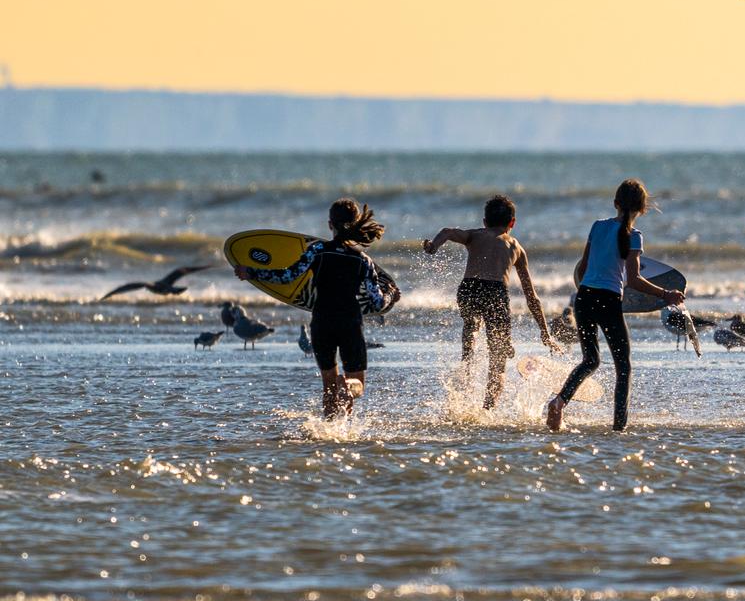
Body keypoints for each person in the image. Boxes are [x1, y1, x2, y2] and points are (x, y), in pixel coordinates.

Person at [235, 199, 393, 419]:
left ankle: (329, 429)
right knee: (357, 384)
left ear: (330, 224)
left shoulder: (317, 250)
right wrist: (391, 294)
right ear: (356, 223)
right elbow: (377, 303)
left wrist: (252, 272)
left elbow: (288, 275)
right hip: (349, 323)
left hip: (322, 321)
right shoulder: (362, 261)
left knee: (328, 384)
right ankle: (347, 390)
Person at [546, 179, 683, 432]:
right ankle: (619, 428)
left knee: (590, 360)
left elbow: (583, 268)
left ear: (615, 204)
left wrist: (592, 288)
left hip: (584, 298)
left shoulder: (597, 227)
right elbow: (634, 280)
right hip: (608, 302)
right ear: (642, 209)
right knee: (623, 367)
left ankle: (559, 401)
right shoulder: (635, 237)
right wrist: (666, 294)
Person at [423, 195, 560, 409]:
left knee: (472, 322)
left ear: (484, 222)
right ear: (512, 223)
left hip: (469, 288)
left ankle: (467, 356)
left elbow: (448, 231)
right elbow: (531, 296)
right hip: (495, 292)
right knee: (498, 362)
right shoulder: (515, 247)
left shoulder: (475, 235)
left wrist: (433, 246)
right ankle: (488, 407)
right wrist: (545, 332)